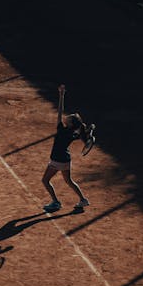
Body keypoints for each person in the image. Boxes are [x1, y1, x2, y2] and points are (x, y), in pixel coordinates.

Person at [42, 84, 90, 212]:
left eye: (68, 117)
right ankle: (83, 199)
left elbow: (59, 111)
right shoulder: (74, 133)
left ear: (69, 123)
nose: (66, 117)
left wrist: (61, 95)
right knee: (69, 181)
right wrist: (87, 134)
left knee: (45, 180)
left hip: (57, 160)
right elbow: (82, 135)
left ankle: (56, 202)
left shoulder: (61, 129)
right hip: (66, 160)